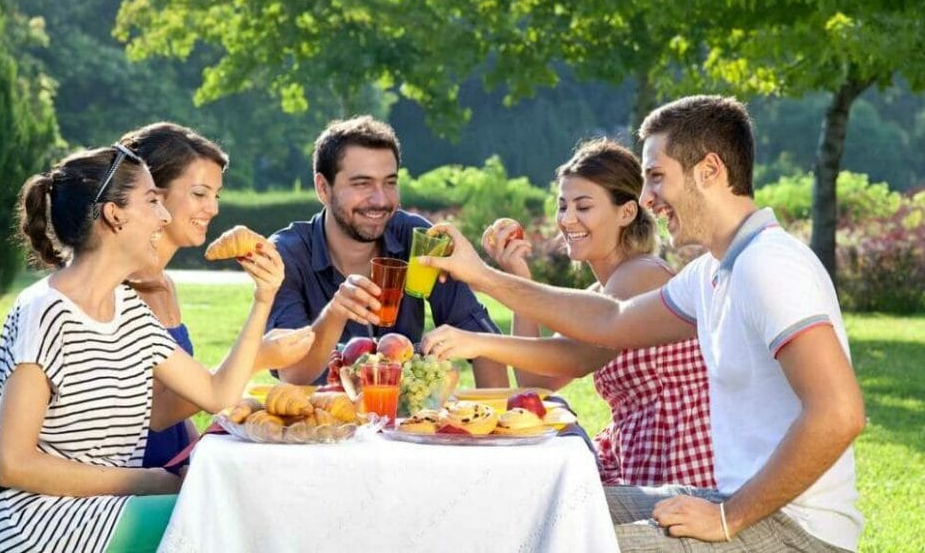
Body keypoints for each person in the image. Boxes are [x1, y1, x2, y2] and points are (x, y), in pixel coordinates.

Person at [419, 95, 864, 551]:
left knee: (568, 542)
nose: (647, 198)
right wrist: (485, 276)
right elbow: (612, 320)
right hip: (733, 500)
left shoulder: (767, 265)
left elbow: (839, 413)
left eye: (656, 177)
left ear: (709, 170)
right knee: (538, 510)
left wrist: (729, 518)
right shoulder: (713, 271)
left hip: (794, 530)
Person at [0, 145, 308, 552]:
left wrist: (263, 298)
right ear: (114, 215)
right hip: (32, 521)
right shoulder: (44, 312)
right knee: (225, 523)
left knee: (237, 515)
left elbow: (215, 393)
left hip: (104, 509)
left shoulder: (129, 310)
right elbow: (13, 465)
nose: (164, 216)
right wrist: (149, 481)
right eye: (152, 201)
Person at [428, 138, 715, 488]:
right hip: (638, 459)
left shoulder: (643, 274)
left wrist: (477, 341)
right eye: (563, 206)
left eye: (583, 206)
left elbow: (576, 359)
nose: (567, 219)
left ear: (626, 212)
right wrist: (520, 278)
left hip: (681, 468)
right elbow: (537, 383)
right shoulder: (600, 294)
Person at [119, 122, 314, 472]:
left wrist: (200, 451)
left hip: (172, 468)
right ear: (153, 195)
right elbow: (156, 414)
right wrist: (257, 357)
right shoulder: (122, 288)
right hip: (133, 482)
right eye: (199, 194)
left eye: (216, 195)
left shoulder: (163, 285)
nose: (213, 209)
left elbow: (176, 416)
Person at [266, 115, 508, 387]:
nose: (381, 200)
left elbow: (486, 345)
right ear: (323, 188)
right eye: (362, 184)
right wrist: (335, 312)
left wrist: (493, 420)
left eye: (390, 182)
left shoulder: (417, 239)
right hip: (319, 424)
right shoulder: (287, 254)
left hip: (403, 424)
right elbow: (292, 373)